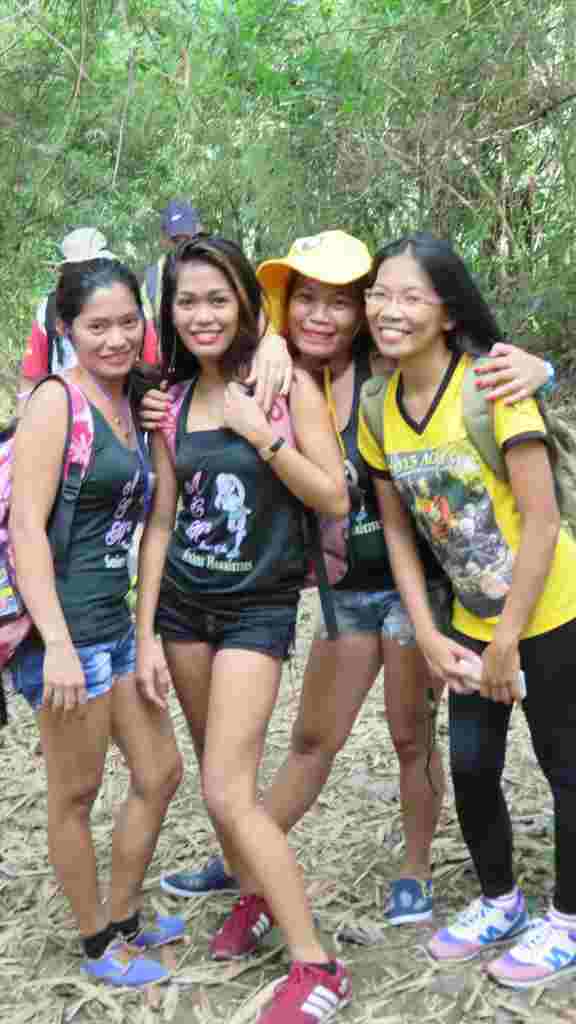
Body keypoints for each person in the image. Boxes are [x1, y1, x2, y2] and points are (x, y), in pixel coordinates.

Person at [155, 231, 551, 925]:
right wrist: (267, 344)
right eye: (305, 299)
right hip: (344, 593)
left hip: (415, 585)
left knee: (410, 737)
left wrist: (539, 368)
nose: (321, 316)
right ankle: (247, 856)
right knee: (313, 739)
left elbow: (470, 360)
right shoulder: (272, 369)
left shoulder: (389, 362)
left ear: (362, 310)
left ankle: (415, 869)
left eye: (340, 302)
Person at [135, 235, 352, 1022]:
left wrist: (262, 433)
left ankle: (318, 965)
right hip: (183, 609)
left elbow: (333, 496)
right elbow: (163, 520)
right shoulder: (168, 399)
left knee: (228, 791)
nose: (202, 315)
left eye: (217, 299)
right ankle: (254, 896)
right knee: (219, 781)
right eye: (187, 301)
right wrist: (144, 632)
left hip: (257, 608)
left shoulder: (283, 384)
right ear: (170, 311)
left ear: (245, 305)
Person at [359, 231, 576, 988]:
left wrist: (510, 641)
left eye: (410, 296)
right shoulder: (378, 407)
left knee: (564, 765)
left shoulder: (493, 388)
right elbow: (397, 528)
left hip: (550, 612)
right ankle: (500, 901)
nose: (389, 309)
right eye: (379, 294)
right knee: (474, 765)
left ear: (448, 311)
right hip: (469, 619)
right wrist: (426, 631)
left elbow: (542, 521)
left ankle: (567, 920)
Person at [10, 258, 184, 987]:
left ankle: (125, 911)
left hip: (114, 625)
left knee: (160, 771)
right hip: (66, 635)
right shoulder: (57, 401)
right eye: (96, 326)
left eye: (127, 323)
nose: (115, 339)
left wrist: (145, 636)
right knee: (75, 794)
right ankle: (97, 942)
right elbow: (25, 527)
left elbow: (156, 520)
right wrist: (55, 644)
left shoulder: (133, 401)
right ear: (66, 329)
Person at [17, 228, 160, 415]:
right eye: (97, 326)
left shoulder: (131, 304)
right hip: (66, 410)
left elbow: (151, 366)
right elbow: (31, 376)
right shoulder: (48, 309)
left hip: (127, 408)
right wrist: (24, 418)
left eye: (127, 322)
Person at [141, 199, 204, 327]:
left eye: (187, 238)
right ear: (164, 239)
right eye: (175, 240)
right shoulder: (152, 279)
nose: (182, 245)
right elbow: (147, 327)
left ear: (198, 232)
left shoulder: (216, 267)